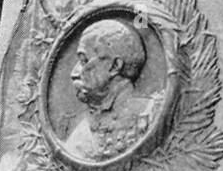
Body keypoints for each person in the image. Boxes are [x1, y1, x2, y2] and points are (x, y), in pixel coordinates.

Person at [59, 19, 157, 162]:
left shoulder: (153, 113)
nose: (74, 73)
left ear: (114, 66)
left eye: (84, 60)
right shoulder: (80, 133)